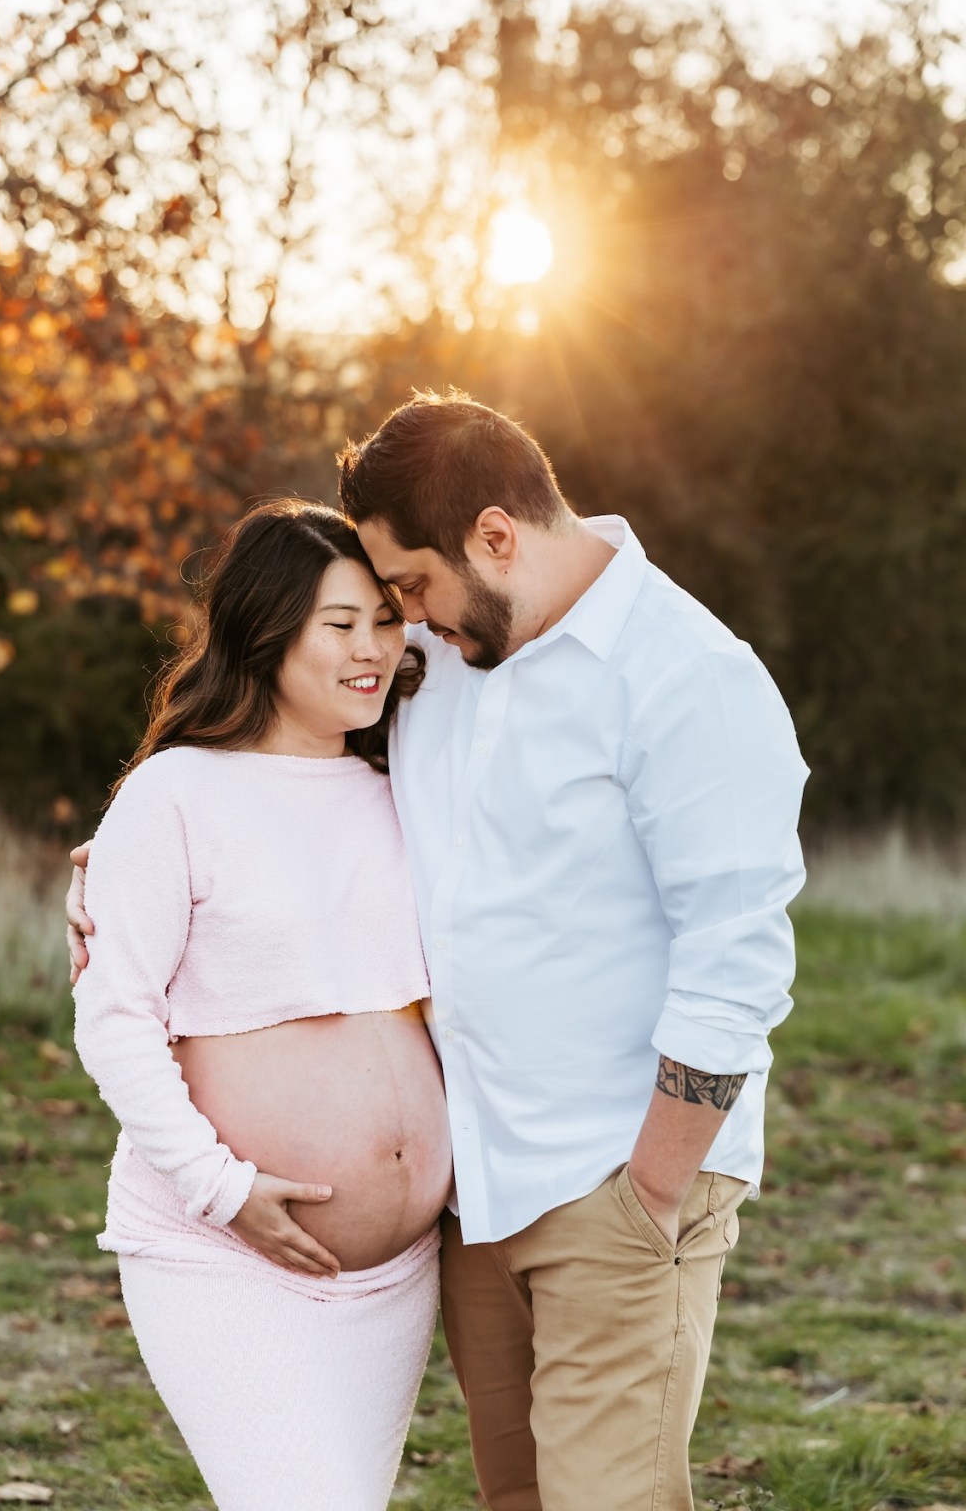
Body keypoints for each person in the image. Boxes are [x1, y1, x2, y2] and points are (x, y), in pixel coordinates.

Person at [70, 391, 808, 1511]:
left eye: (407, 592)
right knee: (514, 1494)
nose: (398, 624)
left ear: (497, 537)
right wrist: (103, 881)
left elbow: (737, 966)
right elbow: (262, 797)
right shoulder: (441, 655)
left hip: (614, 1175)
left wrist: (651, 1192)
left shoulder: (687, 679)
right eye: (378, 606)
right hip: (477, 1191)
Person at [68, 499, 453, 1511]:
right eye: (340, 624)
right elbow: (114, 1018)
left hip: (394, 1271)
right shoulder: (176, 794)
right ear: (266, 631)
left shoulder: (405, 781)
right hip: (225, 1252)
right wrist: (220, 1188)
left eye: (384, 617)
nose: (372, 648)